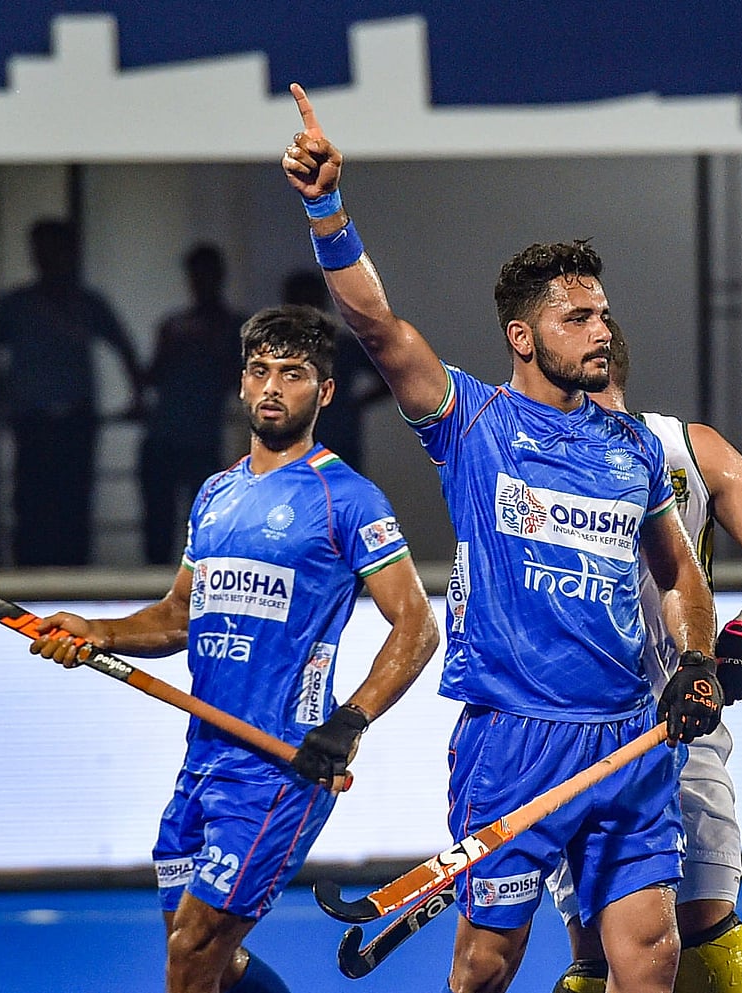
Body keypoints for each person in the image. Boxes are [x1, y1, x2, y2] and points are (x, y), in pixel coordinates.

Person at [282, 84, 722, 993]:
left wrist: (698, 659)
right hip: (512, 743)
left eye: (602, 314)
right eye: (579, 318)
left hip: (628, 739)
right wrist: (327, 206)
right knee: (489, 963)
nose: (603, 331)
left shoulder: (634, 447)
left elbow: (678, 569)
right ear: (523, 336)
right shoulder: (470, 423)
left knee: (653, 953)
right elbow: (374, 323)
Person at [28, 303, 440, 993]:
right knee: (207, 959)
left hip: (280, 770)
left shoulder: (347, 497)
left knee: (193, 951)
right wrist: (96, 633)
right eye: (260, 371)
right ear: (242, 384)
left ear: (325, 391)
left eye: (294, 373)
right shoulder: (215, 494)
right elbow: (177, 614)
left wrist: (350, 719)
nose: (273, 386)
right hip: (203, 762)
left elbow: (417, 627)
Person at [546, 319, 742, 993]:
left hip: (678, 725)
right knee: (597, 962)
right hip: (569, 735)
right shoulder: (530, 458)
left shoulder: (687, 447)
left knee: (707, 952)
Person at [0, 217, 144, 566]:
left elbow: (123, 346)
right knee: (31, 502)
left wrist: (137, 397)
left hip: (75, 417)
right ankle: (31, 572)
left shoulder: (86, 304)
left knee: (74, 501)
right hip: (33, 419)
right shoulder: (16, 305)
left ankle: (72, 572)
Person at [140, 242, 247, 564]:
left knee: (206, 517)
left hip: (201, 435)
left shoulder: (235, 328)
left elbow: (239, 378)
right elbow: (154, 375)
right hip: (166, 433)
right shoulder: (174, 326)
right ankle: (155, 588)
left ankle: (199, 580)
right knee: (159, 520)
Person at [281, 267, 389, 472]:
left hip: (337, 439)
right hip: (294, 439)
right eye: (301, 304)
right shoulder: (279, 351)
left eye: (311, 302)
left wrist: (354, 404)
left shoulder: (342, 345)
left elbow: (389, 378)